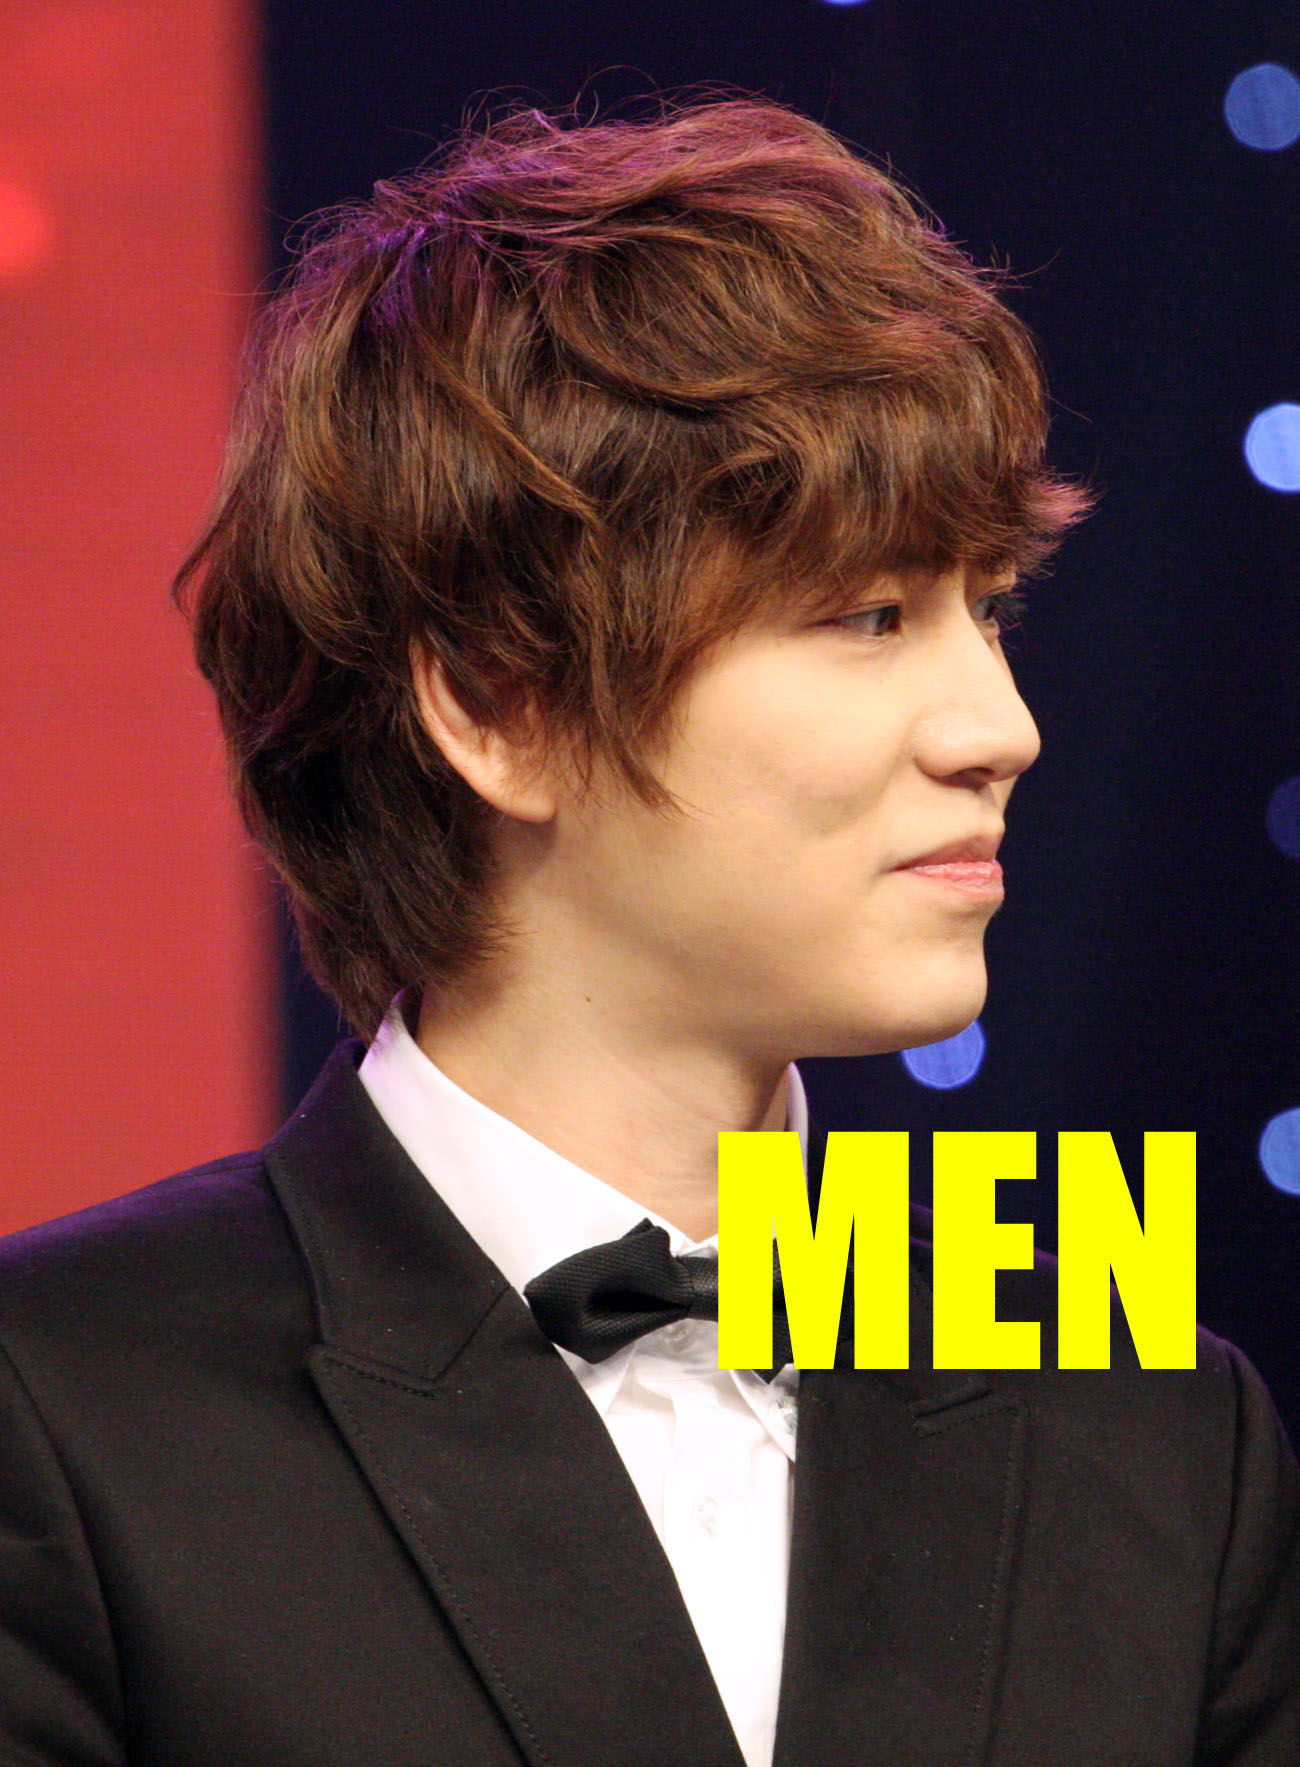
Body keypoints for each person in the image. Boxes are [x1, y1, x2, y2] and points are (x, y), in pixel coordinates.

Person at [0, 94, 1295, 1767]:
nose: (1001, 728)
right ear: (498, 703)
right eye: (869, 614)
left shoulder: (1151, 1421)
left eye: (990, 609)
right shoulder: (64, 1410)